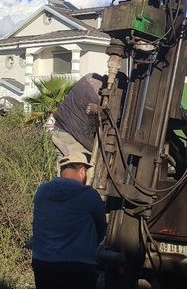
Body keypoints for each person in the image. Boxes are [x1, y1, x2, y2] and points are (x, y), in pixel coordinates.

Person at [31, 152, 106, 289]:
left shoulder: (42, 191)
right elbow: (101, 229)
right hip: (77, 267)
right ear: (82, 171)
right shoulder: (89, 195)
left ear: (62, 170)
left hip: (43, 263)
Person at [47, 73, 104, 159]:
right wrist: (100, 152)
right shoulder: (95, 98)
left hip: (57, 125)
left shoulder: (89, 77)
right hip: (66, 134)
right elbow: (82, 134)